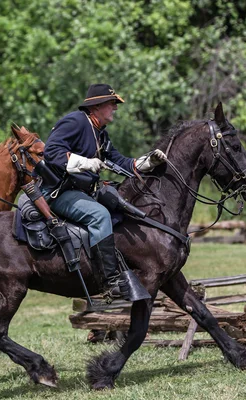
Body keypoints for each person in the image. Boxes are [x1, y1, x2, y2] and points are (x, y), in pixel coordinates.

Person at [43, 83, 166, 300]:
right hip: (57, 192)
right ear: (97, 106)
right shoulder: (76, 121)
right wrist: (85, 163)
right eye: (112, 104)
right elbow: (51, 151)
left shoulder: (100, 133)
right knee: (99, 216)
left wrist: (148, 162)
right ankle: (110, 282)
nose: (115, 109)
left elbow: (120, 162)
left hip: (81, 192)